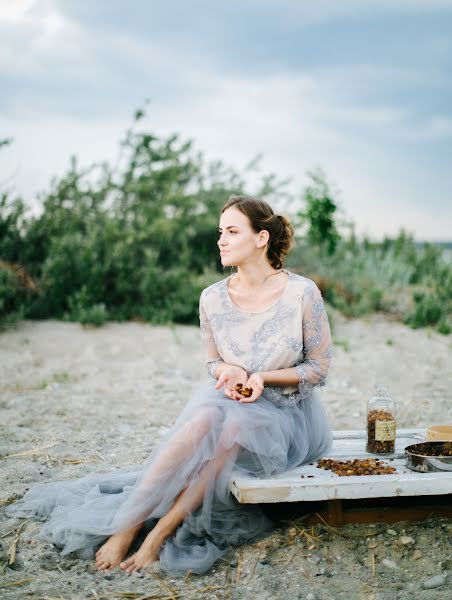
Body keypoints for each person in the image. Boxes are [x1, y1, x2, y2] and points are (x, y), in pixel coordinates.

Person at [6, 195, 333, 576]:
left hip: (287, 415)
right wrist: (232, 371)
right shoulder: (212, 298)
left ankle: (160, 533)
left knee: (233, 427)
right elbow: (212, 362)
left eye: (232, 232)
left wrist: (263, 377)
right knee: (202, 421)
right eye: (220, 233)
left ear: (261, 238)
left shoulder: (302, 293)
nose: (221, 241)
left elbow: (319, 368)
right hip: (231, 397)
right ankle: (128, 525)